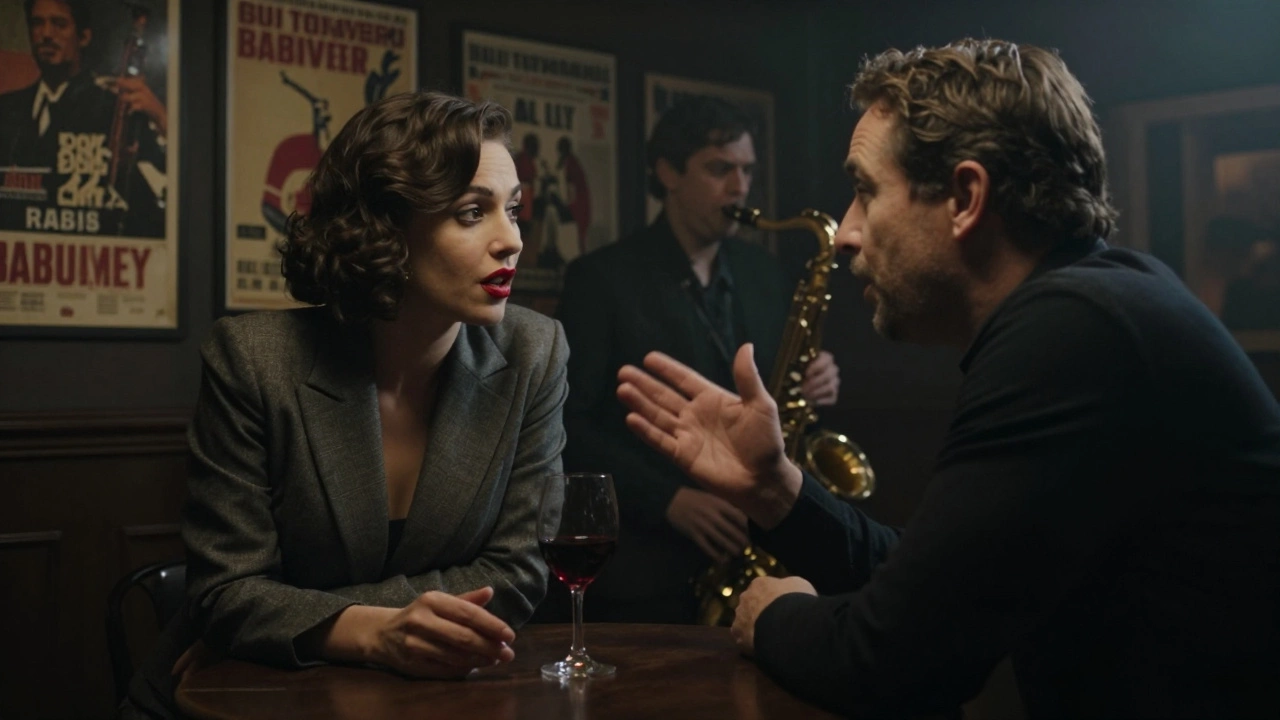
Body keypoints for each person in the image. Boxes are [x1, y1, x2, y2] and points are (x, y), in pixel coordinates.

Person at [616, 39, 1280, 718]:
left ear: (965, 197)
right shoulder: (1094, 306)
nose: (845, 233)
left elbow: (891, 659)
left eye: (866, 191)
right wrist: (778, 491)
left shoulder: (1070, 333)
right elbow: (939, 584)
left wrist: (774, 616)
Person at [120, 91, 566, 717]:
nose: (511, 241)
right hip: (232, 699)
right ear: (385, 229)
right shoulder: (254, 360)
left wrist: (299, 618)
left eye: (514, 211)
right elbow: (224, 592)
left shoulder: (534, 351)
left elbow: (517, 574)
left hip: (420, 696)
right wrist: (373, 633)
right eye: (472, 213)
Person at [550, 96, 841, 624]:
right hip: (648, 564)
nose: (740, 187)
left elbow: (775, 389)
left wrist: (813, 381)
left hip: (755, 540)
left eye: (747, 170)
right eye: (719, 168)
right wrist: (669, 500)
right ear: (667, 172)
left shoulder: (763, 273)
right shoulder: (602, 279)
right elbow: (569, 424)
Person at [0, 0, 167, 236]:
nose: (46, 34)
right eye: (37, 24)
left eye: (59, 24)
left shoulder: (118, 109)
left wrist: (161, 117)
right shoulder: (5, 109)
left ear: (84, 37)